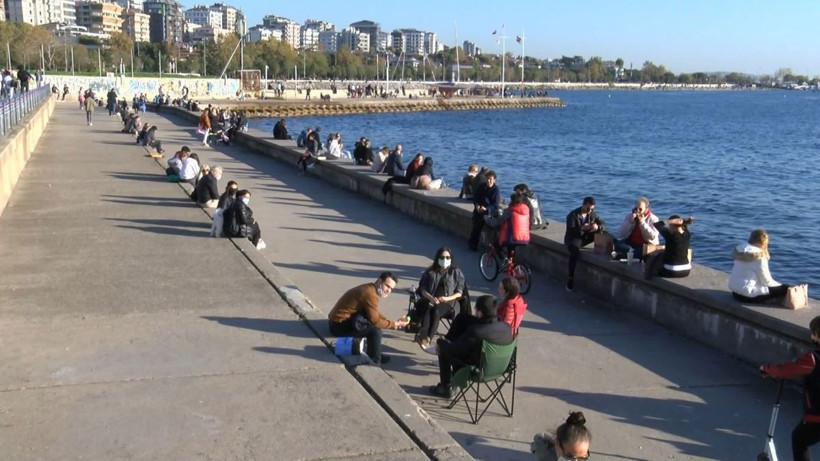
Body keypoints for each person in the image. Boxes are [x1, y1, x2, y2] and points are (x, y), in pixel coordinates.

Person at [428, 295, 514, 398]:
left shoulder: (476, 331)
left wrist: (440, 342)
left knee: (443, 348)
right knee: (462, 318)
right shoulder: (507, 327)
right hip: (500, 368)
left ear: (480, 312)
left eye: (476, 308)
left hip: (478, 370)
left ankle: (446, 388)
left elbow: (454, 349)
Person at [760, 316, 820, 461]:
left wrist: (767, 369)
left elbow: (787, 369)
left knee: (799, 439)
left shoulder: (813, 358)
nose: (811, 337)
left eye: (813, 334)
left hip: (817, 416)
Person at [327, 272, 409, 365]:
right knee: (375, 331)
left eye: (391, 289)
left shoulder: (369, 288)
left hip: (337, 321)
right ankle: (375, 362)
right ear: (379, 281)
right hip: (338, 327)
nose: (388, 291)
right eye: (387, 286)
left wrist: (392, 322)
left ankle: (376, 354)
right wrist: (394, 324)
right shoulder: (370, 294)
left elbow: (373, 312)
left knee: (370, 321)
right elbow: (375, 321)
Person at [412, 247, 466, 350]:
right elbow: (422, 288)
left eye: (447, 257)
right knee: (428, 309)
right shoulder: (430, 271)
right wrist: (430, 297)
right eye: (442, 257)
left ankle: (427, 338)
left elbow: (459, 293)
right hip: (430, 299)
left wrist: (446, 299)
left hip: (447, 302)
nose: (445, 259)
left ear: (451, 258)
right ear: (438, 258)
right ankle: (423, 336)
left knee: (436, 311)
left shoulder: (456, 272)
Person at [729, 229, 793, 303]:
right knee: (786, 289)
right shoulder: (759, 257)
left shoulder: (740, 250)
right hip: (747, 296)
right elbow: (767, 281)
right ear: (764, 242)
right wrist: (780, 286)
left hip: (735, 293)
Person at [564, 196, 606, 291]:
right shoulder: (573, 215)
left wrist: (598, 227)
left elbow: (603, 223)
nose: (590, 211)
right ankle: (571, 278)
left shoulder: (592, 214)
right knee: (574, 253)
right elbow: (572, 231)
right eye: (588, 209)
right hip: (573, 238)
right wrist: (582, 228)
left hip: (585, 237)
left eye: (592, 209)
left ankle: (608, 250)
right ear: (583, 204)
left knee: (604, 233)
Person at [644, 215, 695, 279]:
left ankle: (648, 276)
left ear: (672, 225)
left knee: (657, 257)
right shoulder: (687, 234)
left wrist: (670, 221)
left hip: (671, 271)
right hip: (686, 271)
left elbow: (657, 225)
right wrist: (684, 221)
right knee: (663, 254)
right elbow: (684, 226)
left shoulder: (670, 235)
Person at [468, 170, 500, 251]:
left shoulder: (496, 190)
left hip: (489, 212)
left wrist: (487, 209)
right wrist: (477, 206)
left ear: (494, 180)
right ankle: (472, 243)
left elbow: (495, 204)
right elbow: (475, 198)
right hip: (479, 209)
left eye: (491, 179)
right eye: (487, 179)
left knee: (480, 222)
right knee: (476, 223)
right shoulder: (481, 187)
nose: (489, 181)